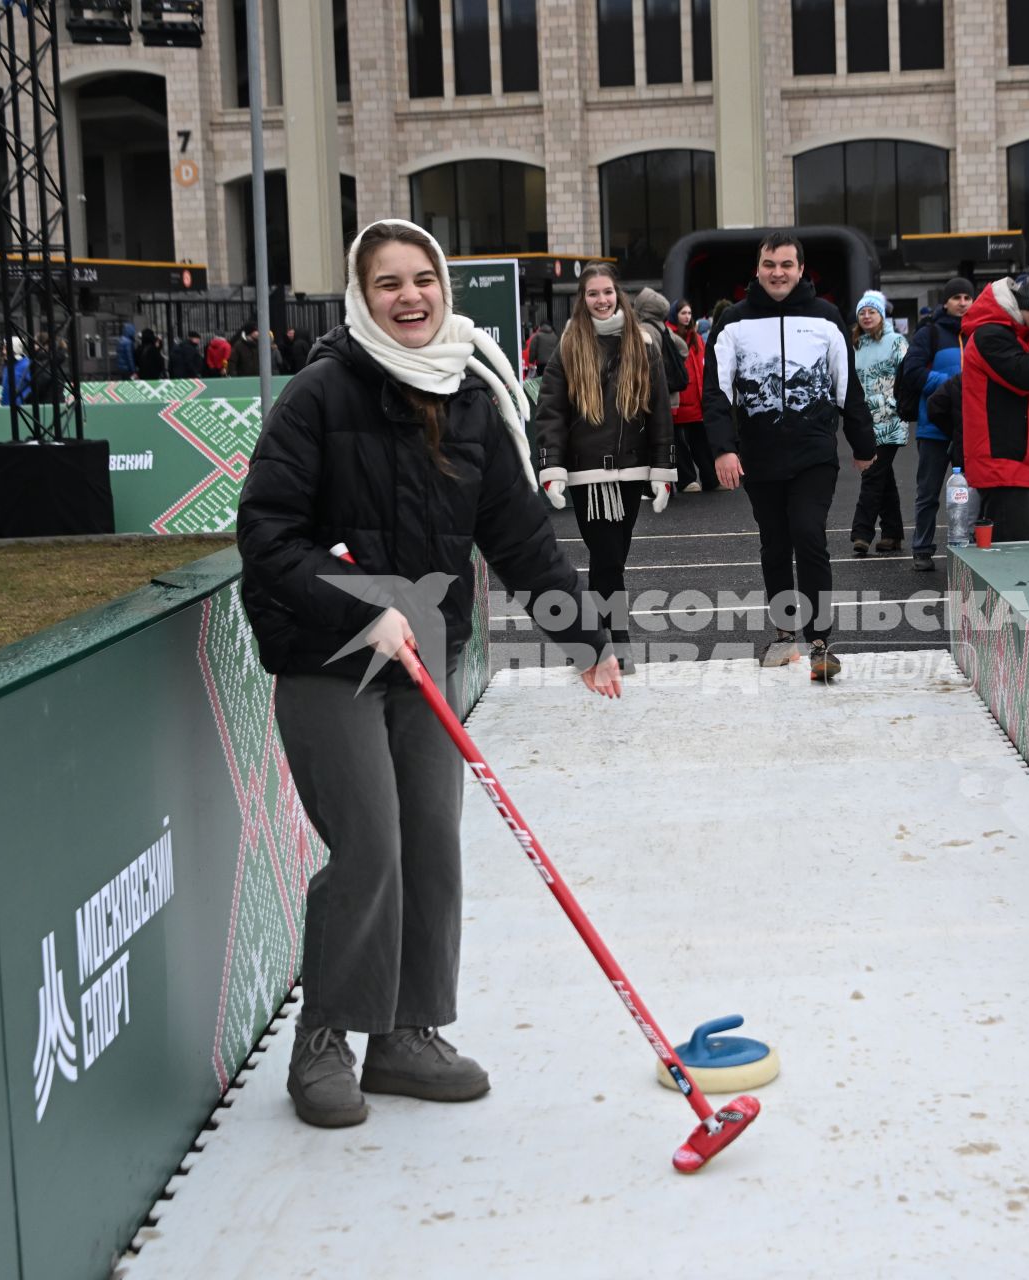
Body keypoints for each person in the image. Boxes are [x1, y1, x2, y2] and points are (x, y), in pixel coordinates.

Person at [237, 217, 619, 1130]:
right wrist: (360, 607)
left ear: (445, 289)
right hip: (330, 651)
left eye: (422, 281)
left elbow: (520, 537)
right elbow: (266, 535)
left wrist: (585, 636)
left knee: (430, 844)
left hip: (426, 653)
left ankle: (406, 1035)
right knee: (369, 842)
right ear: (360, 298)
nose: (409, 298)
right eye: (387, 285)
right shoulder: (320, 396)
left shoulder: (467, 396)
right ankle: (325, 1035)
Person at [703, 230, 876, 680]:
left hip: (813, 453)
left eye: (786, 265)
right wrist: (723, 449)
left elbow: (846, 384)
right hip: (758, 456)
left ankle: (821, 641)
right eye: (769, 265)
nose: (777, 273)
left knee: (808, 534)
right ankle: (784, 636)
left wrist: (863, 443)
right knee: (775, 545)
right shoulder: (733, 323)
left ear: (801, 270)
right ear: (757, 270)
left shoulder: (826, 318)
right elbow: (716, 393)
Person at [532, 264, 674, 667]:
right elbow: (551, 413)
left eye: (607, 292)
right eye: (593, 293)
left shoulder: (643, 344)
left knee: (610, 559)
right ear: (582, 298)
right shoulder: (568, 345)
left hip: (631, 471)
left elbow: (660, 410)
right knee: (608, 556)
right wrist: (552, 468)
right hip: (587, 473)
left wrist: (663, 471)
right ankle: (618, 641)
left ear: (619, 295)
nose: (601, 300)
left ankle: (593, 640)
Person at [957, 261, 1029, 542]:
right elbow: (1028, 376)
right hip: (1004, 465)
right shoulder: (990, 335)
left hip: (1015, 465)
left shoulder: (1008, 334)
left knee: (1023, 562)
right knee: (1013, 563)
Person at [897, 276, 972, 571]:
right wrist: (955, 386)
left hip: (969, 427)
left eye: (968, 298)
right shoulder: (928, 333)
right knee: (928, 492)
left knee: (969, 492)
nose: (963, 303)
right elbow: (912, 372)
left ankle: (966, 544)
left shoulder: (980, 332)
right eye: (957, 298)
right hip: (934, 427)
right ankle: (922, 548)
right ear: (946, 302)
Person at [850, 290, 909, 557]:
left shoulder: (896, 341)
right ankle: (892, 533)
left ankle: (861, 533)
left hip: (891, 418)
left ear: (881, 316)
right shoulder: (857, 345)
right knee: (883, 477)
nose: (866, 316)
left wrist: (898, 403)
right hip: (865, 419)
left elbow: (908, 375)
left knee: (872, 473)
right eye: (862, 312)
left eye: (871, 311)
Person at [670, 298, 714, 491]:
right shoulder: (669, 336)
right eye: (683, 313)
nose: (687, 317)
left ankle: (710, 478)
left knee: (701, 441)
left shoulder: (695, 337)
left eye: (689, 313)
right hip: (680, 397)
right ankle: (687, 480)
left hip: (696, 397)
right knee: (680, 443)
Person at [0, 335, 34, 406]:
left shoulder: (27, 365)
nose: (3, 351)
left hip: (22, 409)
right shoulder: (8, 366)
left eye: (6, 348)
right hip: (6, 408)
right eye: (4, 348)